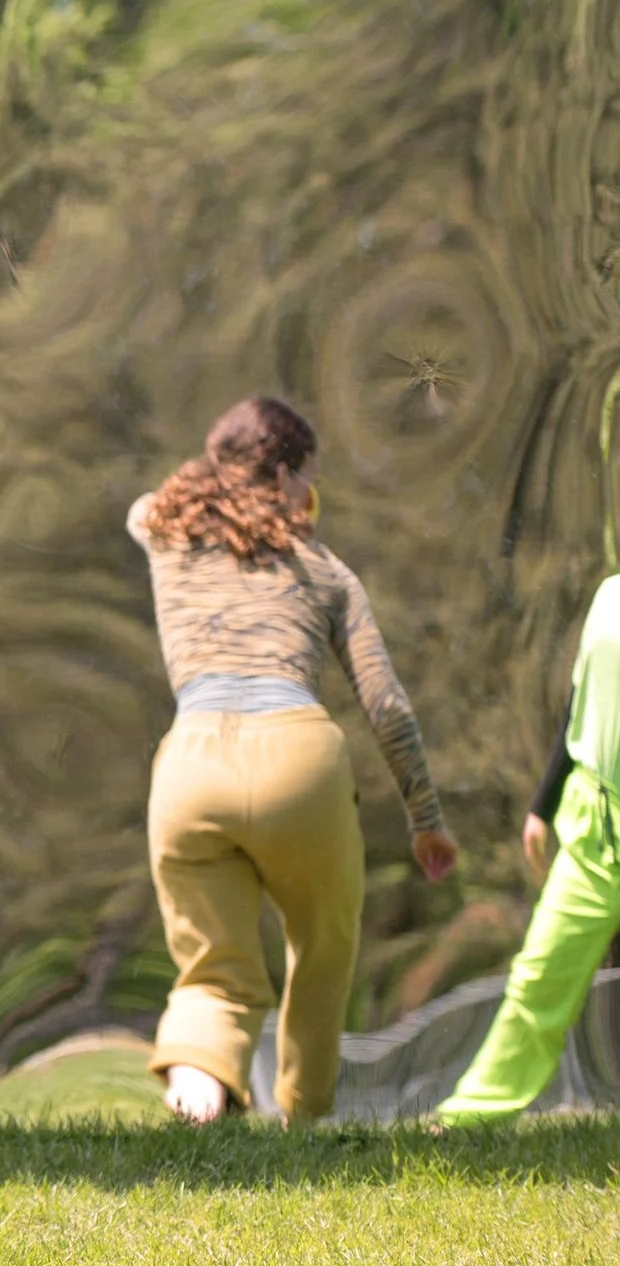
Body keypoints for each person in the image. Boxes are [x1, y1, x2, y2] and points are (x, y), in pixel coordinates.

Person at [128, 396, 458, 1126]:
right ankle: (304, 1117)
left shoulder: (164, 531)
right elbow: (388, 704)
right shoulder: (328, 571)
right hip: (299, 761)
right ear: (284, 477)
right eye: (310, 478)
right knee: (320, 948)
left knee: (213, 969)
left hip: (192, 766)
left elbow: (147, 501)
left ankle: (198, 1096)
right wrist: (426, 819)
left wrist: (210, 483)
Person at [437, 577, 620, 1124]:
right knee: (538, 979)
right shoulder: (608, 595)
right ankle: (469, 1120)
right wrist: (543, 805)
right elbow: (578, 710)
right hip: (593, 829)